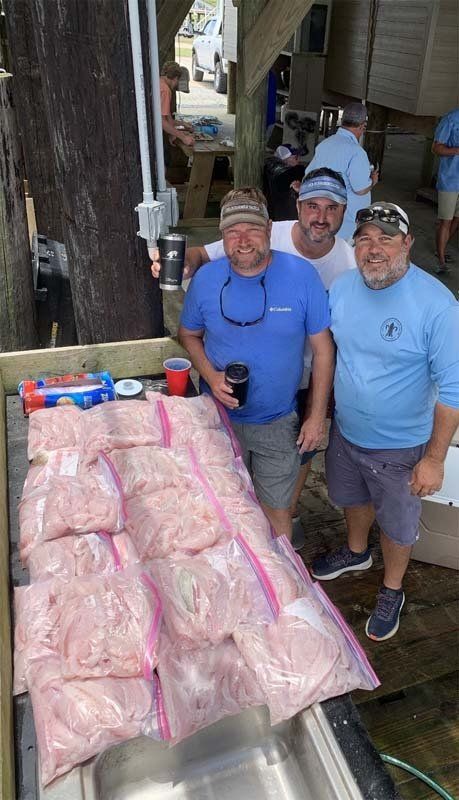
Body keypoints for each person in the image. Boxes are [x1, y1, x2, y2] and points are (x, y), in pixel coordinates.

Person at [151, 169, 356, 546]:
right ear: (222, 237)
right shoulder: (208, 279)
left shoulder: (302, 276)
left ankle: (277, 579)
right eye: (232, 232)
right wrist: (211, 377)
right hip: (217, 418)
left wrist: (314, 417)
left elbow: (324, 350)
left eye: (252, 230)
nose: (242, 240)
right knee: (222, 502)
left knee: (278, 509)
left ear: (270, 231)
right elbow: (188, 334)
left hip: (278, 419)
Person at [311, 202, 459, 642]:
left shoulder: (438, 306)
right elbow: (327, 349)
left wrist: (434, 459)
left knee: (397, 524)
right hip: (347, 430)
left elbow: (452, 392)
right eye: (364, 239)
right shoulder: (341, 287)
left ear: (408, 243)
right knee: (350, 496)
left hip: (400, 445)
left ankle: (392, 588)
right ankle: (357, 552)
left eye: (386, 238)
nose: (374, 249)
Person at [305, 102, 379, 239]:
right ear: (363, 126)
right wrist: (373, 181)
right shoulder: (357, 152)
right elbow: (360, 189)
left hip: (323, 213)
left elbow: (309, 175)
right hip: (346, 220)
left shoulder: (324, 144)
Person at [432, 107, 459, 273]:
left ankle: (441, 249)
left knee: (457, 219)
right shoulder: (451, 119)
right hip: (450, 179)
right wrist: (457, 150)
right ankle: (441, 261)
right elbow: (436, 148)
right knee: (445, 221)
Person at [160, 61, 194, 148]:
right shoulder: (165, 90)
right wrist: (183, 137)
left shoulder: (159, 81)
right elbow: (162, 121)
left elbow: (168, 119)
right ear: (175, 78)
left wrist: (182, 124)